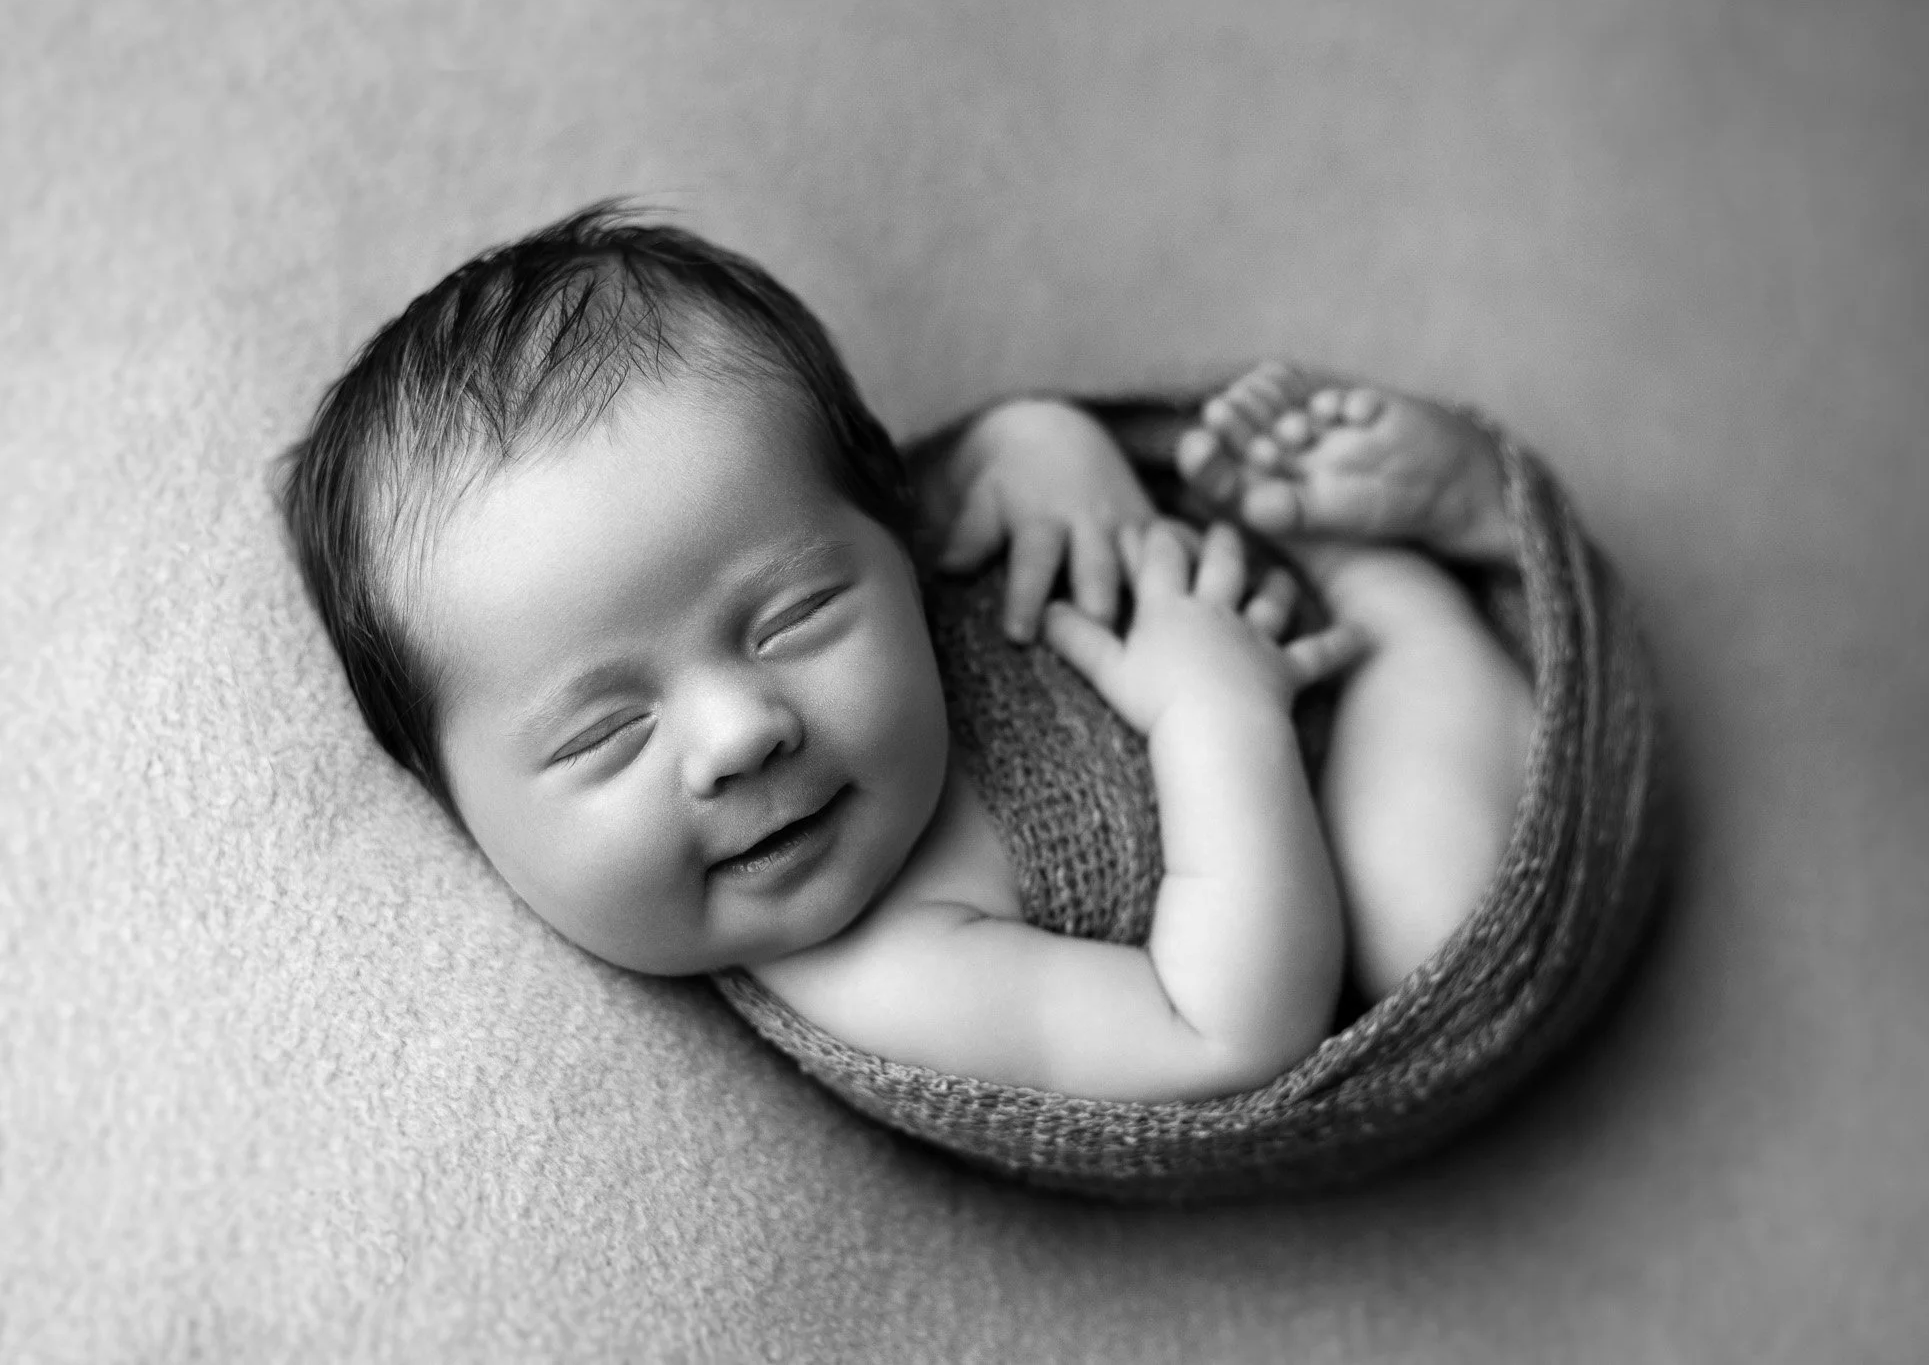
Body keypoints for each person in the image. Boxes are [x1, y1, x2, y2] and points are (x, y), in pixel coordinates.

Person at [278, 203, 1533, 1105]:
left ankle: (1359, 518)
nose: (739, 731)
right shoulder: (876, 968)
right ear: (453, 808)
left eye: (792, 617)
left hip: (1202, 588)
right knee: (1427, 928)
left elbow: (939, 482)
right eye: (606, 733)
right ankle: (1411, 578)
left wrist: (1043, 451)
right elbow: (1224, 1030)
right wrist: (1218, 717)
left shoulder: (886, 530)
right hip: (1307, 758)